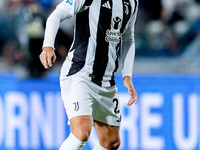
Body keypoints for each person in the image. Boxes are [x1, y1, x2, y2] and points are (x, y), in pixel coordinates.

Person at [39, 0, 139, 149]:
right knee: (81, 133)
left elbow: (128, 38)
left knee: (111, 142)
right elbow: (57, 14)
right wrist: (48, 46)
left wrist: (127, 75)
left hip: (106, 80)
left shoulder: (132, 2)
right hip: (80, 72)